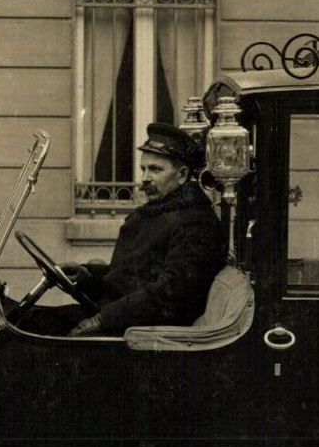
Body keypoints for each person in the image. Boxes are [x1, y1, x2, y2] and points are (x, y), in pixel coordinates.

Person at [17, 123, 224, 338]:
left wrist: (102, 320)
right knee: (23, 318)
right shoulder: (154, 214)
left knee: (25, 328)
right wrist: (87, 276)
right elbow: (130, 278)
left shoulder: (196, 224)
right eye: (144, 169)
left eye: (155, 169)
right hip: (124, 321)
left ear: (182, 175)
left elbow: (169, 295)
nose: (145, 178)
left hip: (142, 334)